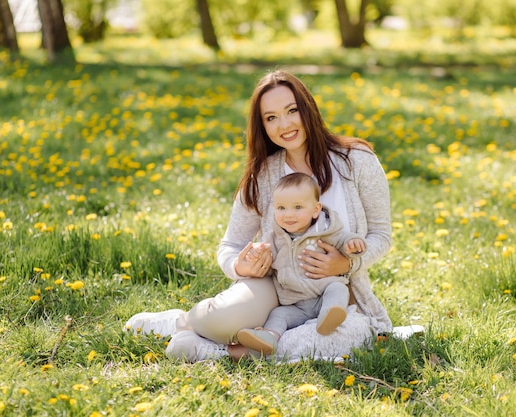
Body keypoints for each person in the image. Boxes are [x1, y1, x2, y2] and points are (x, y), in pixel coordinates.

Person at [125, 69, 396, 362]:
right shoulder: (263, 176)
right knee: (222, 319)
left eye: (292, 111)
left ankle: (220, 352)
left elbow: (381, 235)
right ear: (262, 126)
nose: (285, 124)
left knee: (346, 334)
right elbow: (229, 246)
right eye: (271, 117)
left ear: (309, 110)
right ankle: (182, 323)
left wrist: (348, 261)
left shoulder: (356, 161)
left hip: (339, 293)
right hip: (278, 290)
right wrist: (240, 268)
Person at [236, 172, 367, 356]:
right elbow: (265, 260)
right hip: (295, 303)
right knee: (278, 315)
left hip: (323, 292)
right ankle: (269, 337)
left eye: (297, 207)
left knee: (338, 288)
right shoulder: (275, 238)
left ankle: (330, 315)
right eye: (281, 208)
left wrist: (352, 243)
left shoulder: (325, 230)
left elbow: (343, 240)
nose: (288, 214)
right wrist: (256, 255)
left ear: (315, 210)